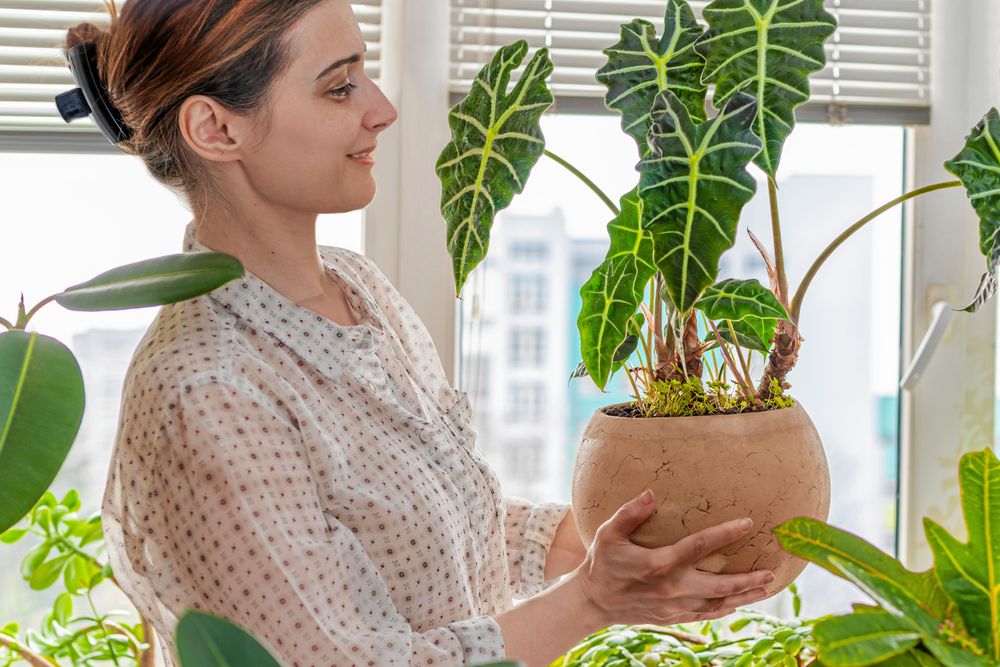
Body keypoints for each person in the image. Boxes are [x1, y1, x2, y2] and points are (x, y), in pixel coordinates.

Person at [66, 1, 774, 665]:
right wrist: (593, 598)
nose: (382, 109)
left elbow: (424, 534)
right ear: (217, 129)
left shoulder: (358, 290)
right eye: (338, 89)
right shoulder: (210, 388)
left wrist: (628, 549)